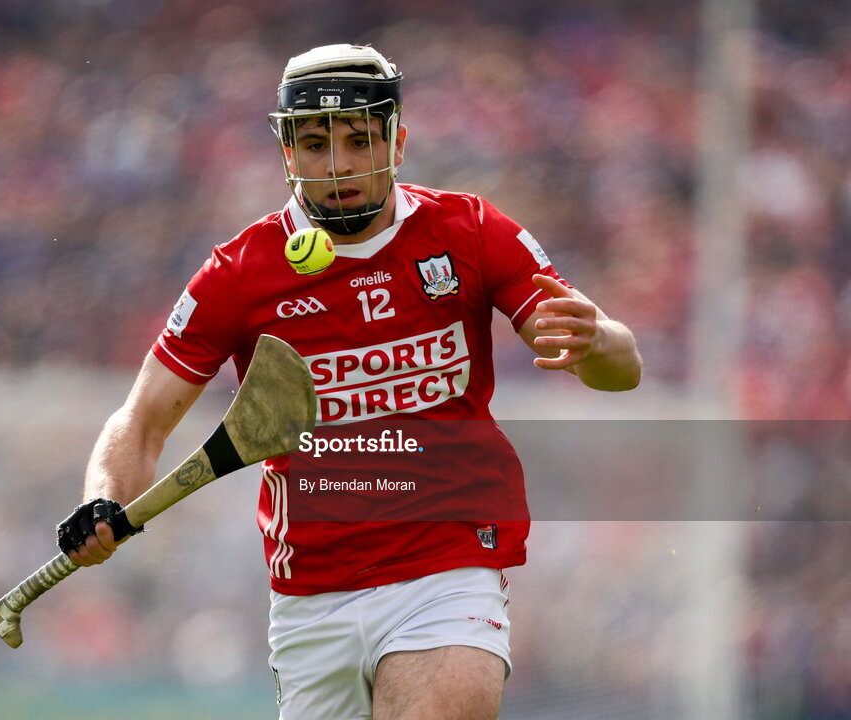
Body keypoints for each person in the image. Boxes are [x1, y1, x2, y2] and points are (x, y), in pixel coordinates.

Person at [57, 44, 642, 720]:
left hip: (448, 560)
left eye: (360, 140)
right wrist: (103, 500)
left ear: (398, 137)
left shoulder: (470, 232)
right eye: (314, 145)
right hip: (313, 591)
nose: (338, 167)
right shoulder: (240, 274)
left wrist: (597, 341)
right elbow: (142, 420)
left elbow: (621, 370)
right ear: (285, 151)